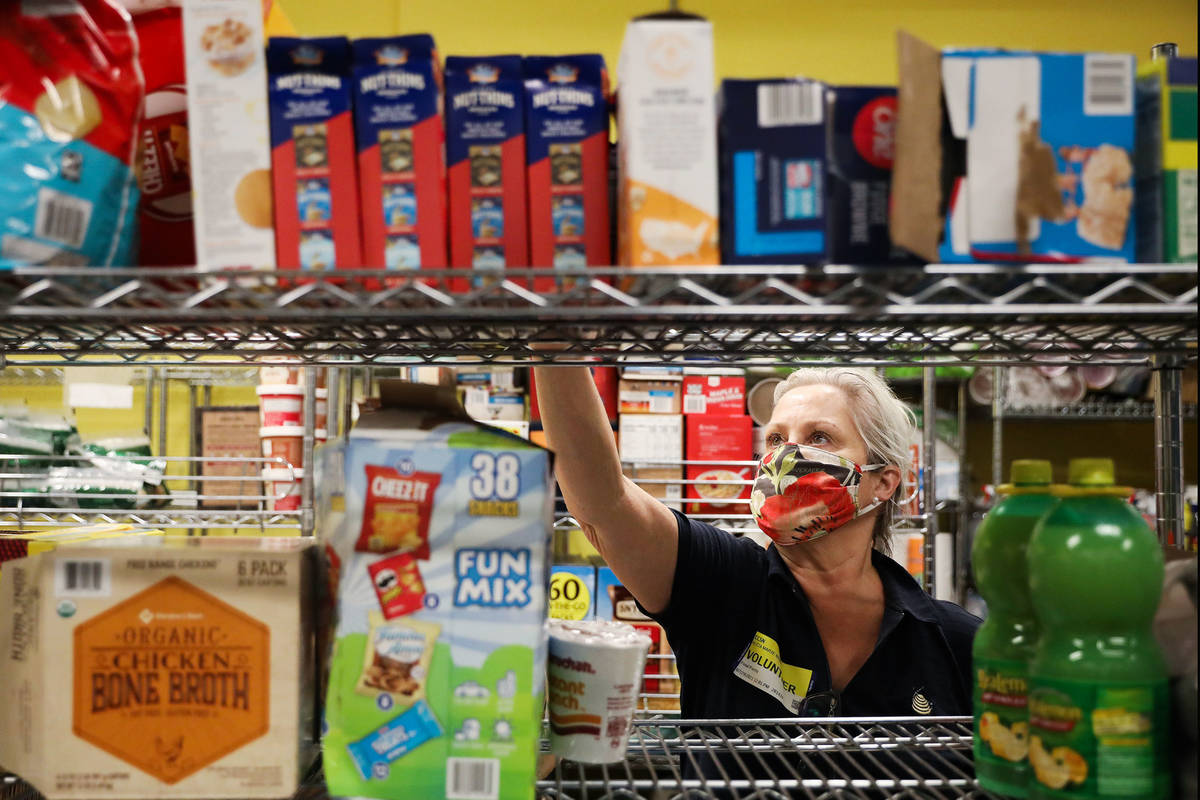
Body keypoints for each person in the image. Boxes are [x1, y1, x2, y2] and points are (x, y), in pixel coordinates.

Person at [533, 365, 980, 719]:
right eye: (775, 439)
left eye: (819, 437)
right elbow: (602, 502)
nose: (786, 456)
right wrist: (553, 343)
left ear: (883, 483)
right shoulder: (721, 583)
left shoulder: (956, 642)